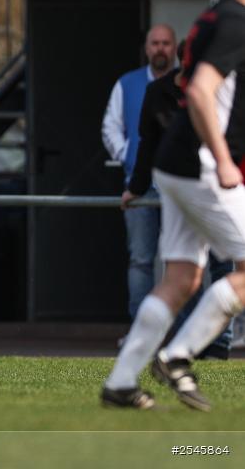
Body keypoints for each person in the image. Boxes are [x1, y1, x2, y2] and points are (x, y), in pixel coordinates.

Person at [102, 0, 245, 411]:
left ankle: (121, 382)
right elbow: (201, 92)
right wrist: (224, 158)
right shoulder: (234, 23)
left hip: (175, 164)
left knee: (181, 276)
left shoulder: (215, 15)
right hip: (202, 166)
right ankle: (178, 354)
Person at [121, 41, 234, 361]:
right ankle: (188, 344)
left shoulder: (220, 87)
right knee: (188, 273)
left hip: (209, 188)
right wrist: (137, 186)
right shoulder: (161, 92)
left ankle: (215, 343)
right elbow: (147, 142)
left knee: (213, 268)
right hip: (185, 189)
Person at [103, 24, 177, 320]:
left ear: (174, 48)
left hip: (179, 185)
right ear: (147, 48)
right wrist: (128, 155)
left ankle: (181, 334)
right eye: (155, 43)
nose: (160, 48)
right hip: (139, 183)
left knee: (180, 261)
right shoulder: (127, 84)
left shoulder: (187, 84)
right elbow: (110, 127)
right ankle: (140, 330)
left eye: (166, 43)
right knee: (141, 260)